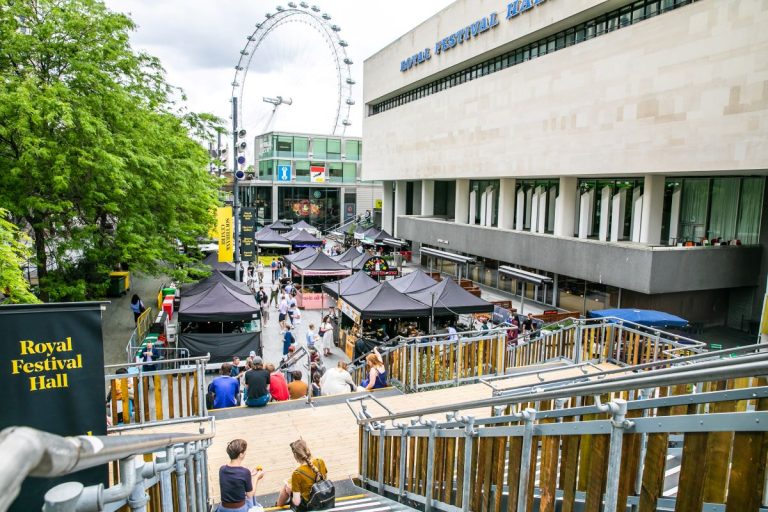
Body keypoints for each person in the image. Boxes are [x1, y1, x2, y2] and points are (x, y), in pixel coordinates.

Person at [276, 440, 328, 509]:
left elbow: (297, 502)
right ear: (308, 450)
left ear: (296, 456)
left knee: (287, 487)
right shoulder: (320, 461)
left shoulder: (297, 473)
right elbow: (324, 479)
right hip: (322, 496)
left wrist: (290, 492)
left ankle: (277, 506)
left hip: (309, 505)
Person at [217, 439, 264, 512]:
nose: (245, 453)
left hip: (223, 508)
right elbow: (250, 495)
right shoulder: (245, 472)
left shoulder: (222, 469)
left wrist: (249, 475)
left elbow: (235, 480)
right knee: (252, 498)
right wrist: (257, 478)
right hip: (240, 509)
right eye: (245, 451)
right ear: (241, 454)